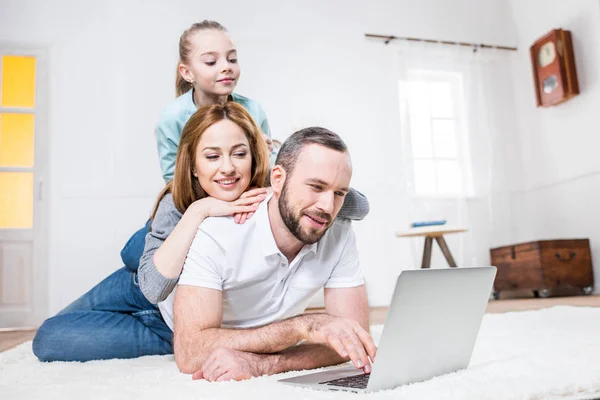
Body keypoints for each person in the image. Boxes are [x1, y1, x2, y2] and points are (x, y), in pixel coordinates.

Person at [32, 103, 270, 362]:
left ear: (254, 157)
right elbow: (153, 288)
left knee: (50, 337)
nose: (227, 168)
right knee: (133, 253)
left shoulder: (267, 200)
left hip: (164, 323)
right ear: (192, 166)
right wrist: (199, 210)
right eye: (212, 156)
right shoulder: (178, 202)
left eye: (239, 154)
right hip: (138, 283)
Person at [162, 127, 377, 382]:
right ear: (277, 179)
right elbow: (190, 353)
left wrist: (264, 364)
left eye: (339, 193)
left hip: (231, 334)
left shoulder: (339, 232)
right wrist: (302, 326)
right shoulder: (217, 232)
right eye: (316, 187)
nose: (328, 207)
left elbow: (354, 340)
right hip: (157, 313)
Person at [157, 20, 271, 183]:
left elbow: (270, 170)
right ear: (187, 72)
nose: (226, 67)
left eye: (232, 59)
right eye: (211, 62)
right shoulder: (173, 118)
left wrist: (263, 154)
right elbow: (173, 181)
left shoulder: (253, 110)